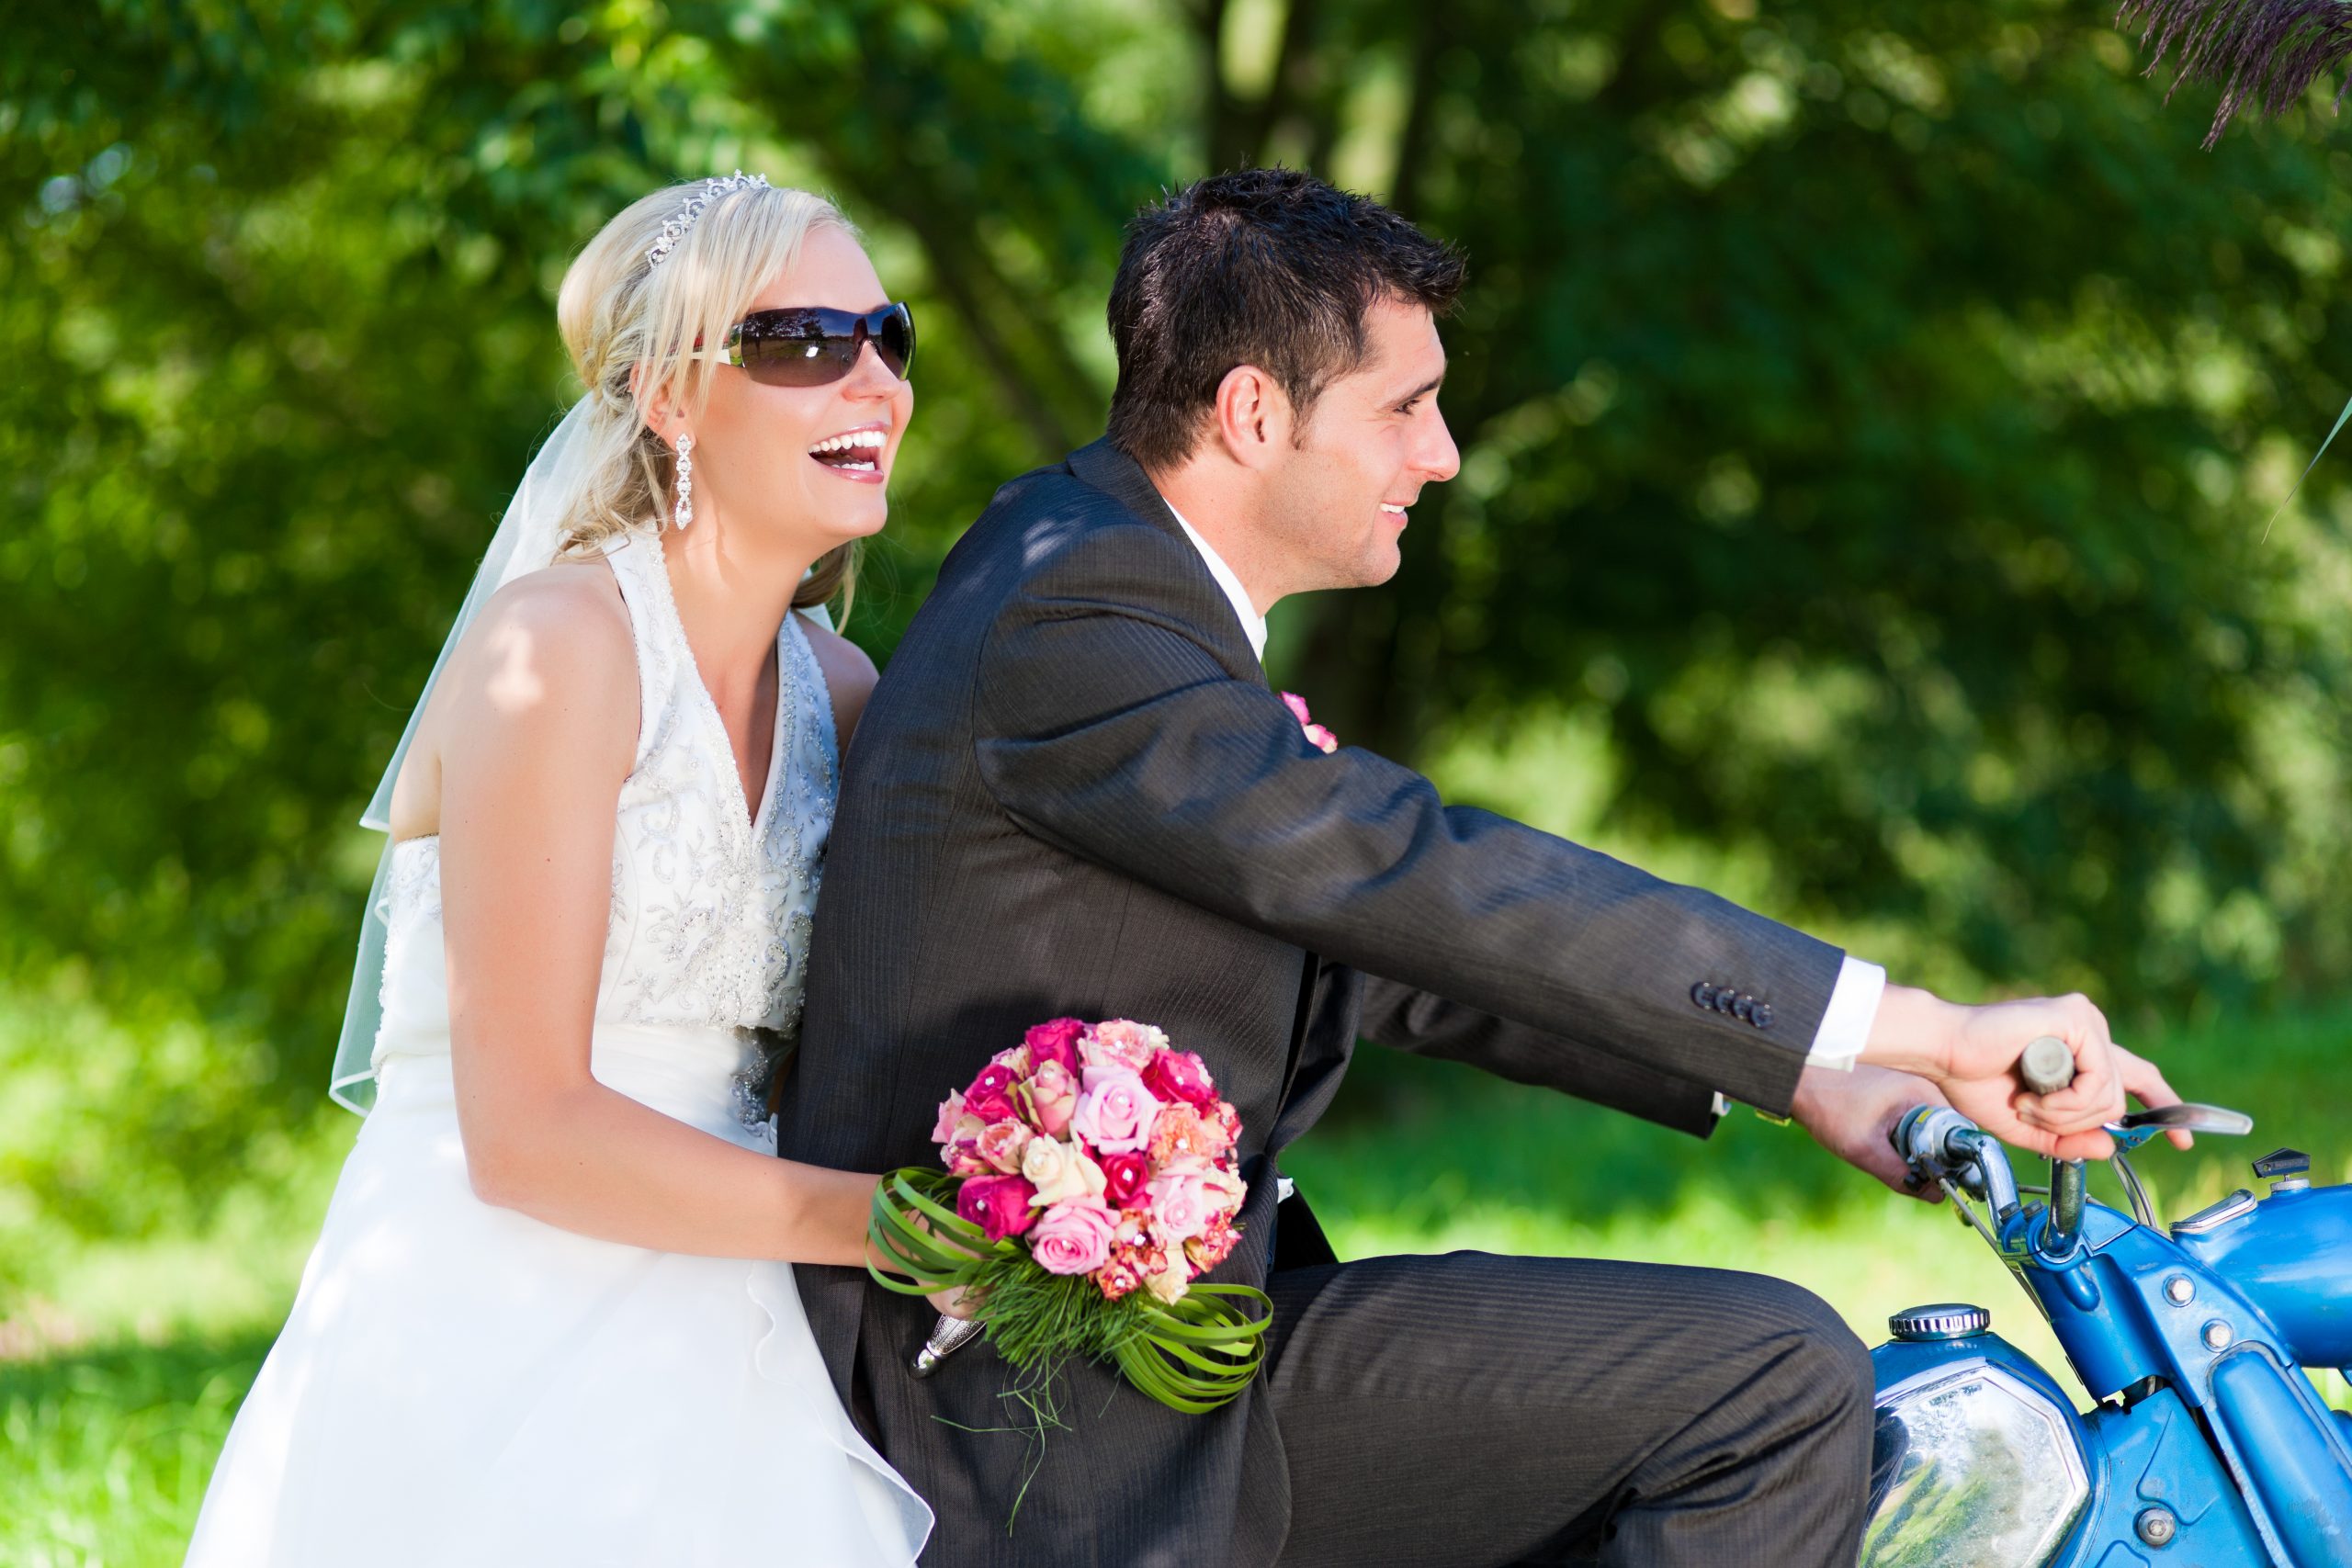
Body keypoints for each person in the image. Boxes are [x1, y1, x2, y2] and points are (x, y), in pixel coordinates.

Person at [778, 167, 2183, 1568]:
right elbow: (1416, 877)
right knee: (1771, 1387)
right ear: (1257, 412)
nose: (1442, 453)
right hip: (1052, 1416)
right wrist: (1926, 1027)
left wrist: (1819, 1078)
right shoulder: (1078, 608)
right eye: (1406, 405)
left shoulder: (1097, 567)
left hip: (1182, 1344)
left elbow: (1372, 949)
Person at [184, 175, 937, 1566]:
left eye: (886, 334)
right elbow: (523, 1131)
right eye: (804, 343)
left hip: (751, 1303)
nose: (875, 381)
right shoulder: (559, 647)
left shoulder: (843, 691)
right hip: (493, 1311)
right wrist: (892, 1230)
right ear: (667, 395)